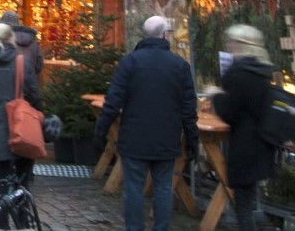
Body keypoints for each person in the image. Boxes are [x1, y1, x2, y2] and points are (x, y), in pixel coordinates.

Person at [93, 16, 199, 231]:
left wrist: (100, 130)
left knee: (133, 188)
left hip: (134, 136)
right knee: (162, 188)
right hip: (166, 136)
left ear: (144, 35)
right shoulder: (179, 65)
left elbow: (113, 101)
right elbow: (189, 108)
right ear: (165, 34)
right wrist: (192, 140)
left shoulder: (130, 62)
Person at [211, 24, 278, 231]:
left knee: (242, 207)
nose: (228, 45)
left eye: (231, 41)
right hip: (263, 143)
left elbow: (230, 113)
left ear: (240, 45)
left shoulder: (237, 73)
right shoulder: (264, 71)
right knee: (248, 201)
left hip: (244, 145)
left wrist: (216, 96)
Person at [0, 22, 41, 227]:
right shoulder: (22, 63)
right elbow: (35, 96)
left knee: (1, 187)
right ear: (10, 38)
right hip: (22, 130)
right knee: (23, 184)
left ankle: (3, 225)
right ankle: (22, 223)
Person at [0, 11, 44, 80]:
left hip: (9, 83)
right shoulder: (32, 39)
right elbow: (39, 65)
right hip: (29, 82)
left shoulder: (4, 40)